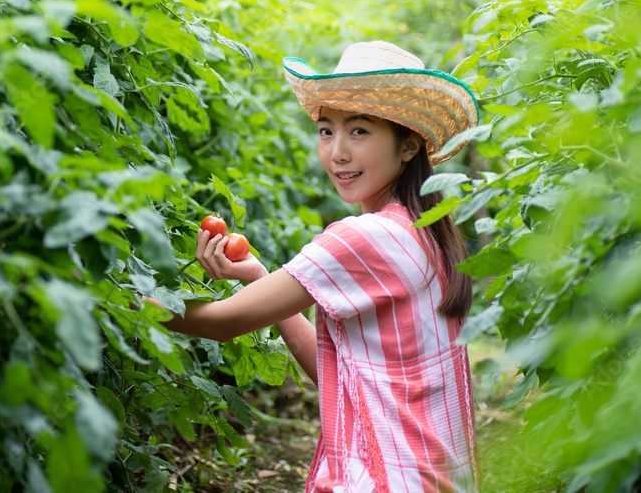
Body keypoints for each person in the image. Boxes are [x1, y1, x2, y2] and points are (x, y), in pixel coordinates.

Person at [149, 41, 481, 492]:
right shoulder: (426, 234)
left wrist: (118, 301)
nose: (337, 152)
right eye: (327, 131)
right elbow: (341, 374)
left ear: (407, 147)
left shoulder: (365, 238)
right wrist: (261, 278)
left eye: (359, 132)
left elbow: (222, 323)